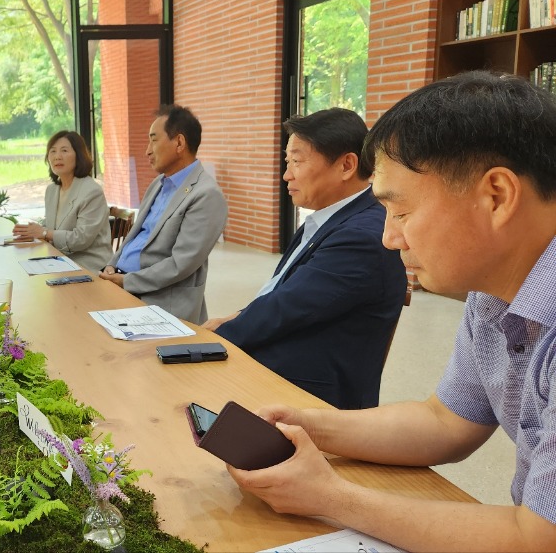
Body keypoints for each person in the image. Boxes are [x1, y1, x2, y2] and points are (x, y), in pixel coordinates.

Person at [228, 71, 556, 550]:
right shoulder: (492, 291)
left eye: (400, 212)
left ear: (497, 196)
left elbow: (539, 539)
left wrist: (330, 496)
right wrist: (308, 425)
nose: (388, 237)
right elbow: (446, 422)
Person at [203, 108, 407, 409]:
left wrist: (213, 340)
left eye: (296, 161)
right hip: (281, 367)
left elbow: (285, 310)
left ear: (347, 165)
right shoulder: (327, 219)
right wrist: (233, 319)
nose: (286, 175)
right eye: (288, 162)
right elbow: (284, 294)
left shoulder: (363, 236)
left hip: (309, 395)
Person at [99, 105, 227, 324]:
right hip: (123, 282)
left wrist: (126, 281)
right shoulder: (158, 183)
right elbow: (135, 238)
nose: (147, 150)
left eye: (154, 140)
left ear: (179, 143)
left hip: (161, 301)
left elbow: (180, 264)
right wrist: (112, 264)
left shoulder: (206, 194)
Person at [11, 130, 113, 272]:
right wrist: (30, 232)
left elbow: (81, 239)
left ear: (79, 156)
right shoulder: (52, 190)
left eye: (64, 151)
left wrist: (45, 233)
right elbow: (51, 226)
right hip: (58, 261)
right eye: (52, 152)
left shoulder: (91, 191)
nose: (57, 156)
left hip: (89, 266)